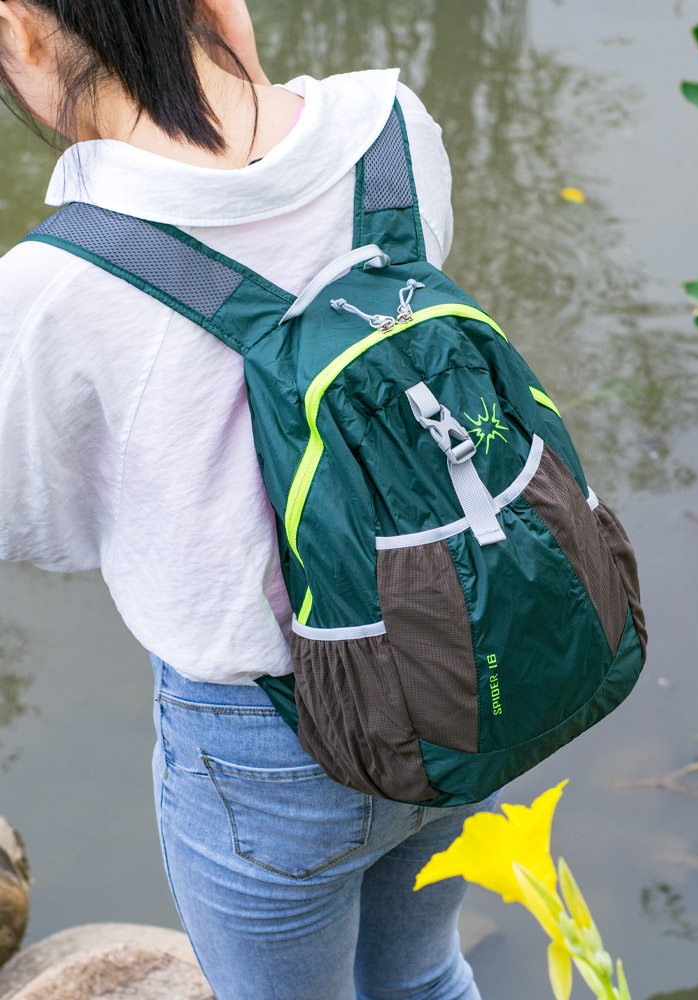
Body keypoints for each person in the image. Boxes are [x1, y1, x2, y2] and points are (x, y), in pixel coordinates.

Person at [0, 3, 499, 998]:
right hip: (462, 648)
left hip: (266, 741)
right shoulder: (390, 129)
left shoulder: (54, 282)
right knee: (422, 972)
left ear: (21, 31)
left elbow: (42, 526)